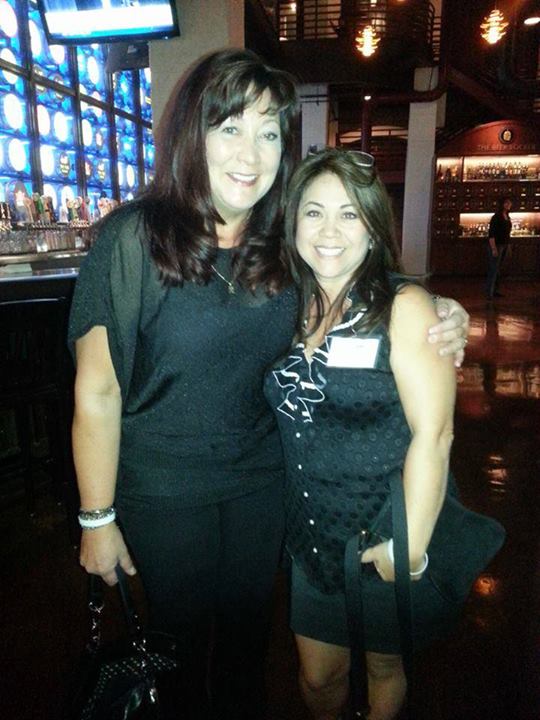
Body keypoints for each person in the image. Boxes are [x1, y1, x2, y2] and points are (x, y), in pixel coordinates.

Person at [68, 49, 469, 720]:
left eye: (269, 133)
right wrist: (96, 517)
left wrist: (441, 311)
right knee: (180, 649)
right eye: (230, 128)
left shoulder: (281, 243)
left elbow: (357, 284)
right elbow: (97, 393)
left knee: (247, 649)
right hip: (164, 491)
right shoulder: (133, 240)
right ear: (193, 133)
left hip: (262, 485)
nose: (250, 153)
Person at [265, 148, 462, 720]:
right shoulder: (285, 303)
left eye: (349, 214)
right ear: (293, 222)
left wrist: (411, 547)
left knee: (383, 668)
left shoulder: (403, 307)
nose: (329, 231)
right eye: (314, 212)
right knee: (318, 677)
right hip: (308, 532)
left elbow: (436, 433)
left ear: (374, 228)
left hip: (382, 529)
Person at [486, 196, 512, 300]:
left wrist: (508, 245)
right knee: (493, 269)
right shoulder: (496, 217)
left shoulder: (507, 216)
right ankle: (489, 293)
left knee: (498, 270)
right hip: (497, 245)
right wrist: (493, 248)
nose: (509, 205)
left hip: (504, 245)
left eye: (509, 203)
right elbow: (491, 234)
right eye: (506, 203)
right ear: (502, 204)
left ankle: (495, 291)